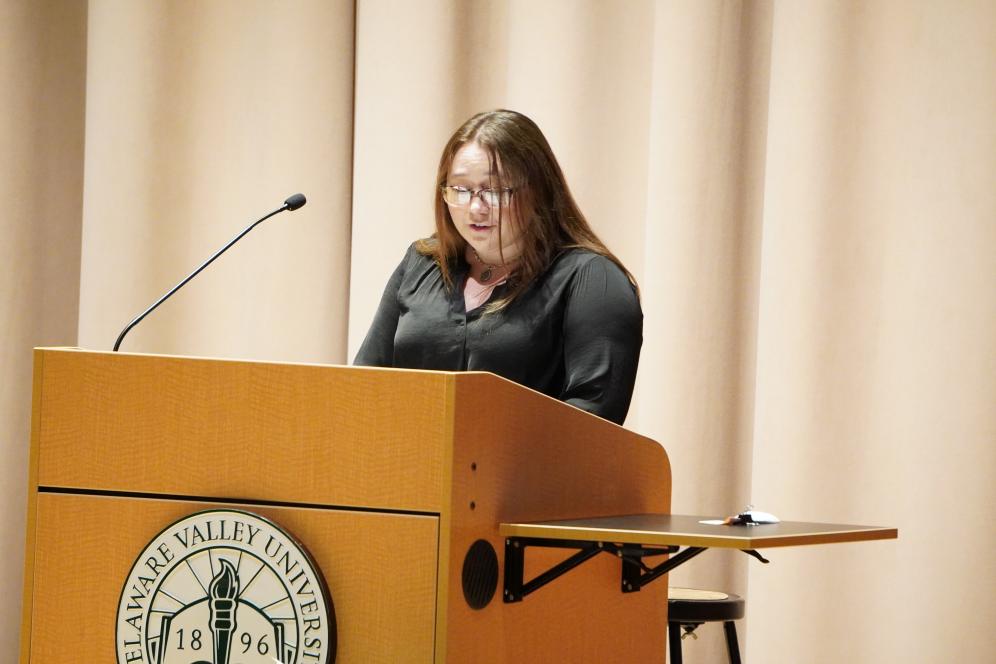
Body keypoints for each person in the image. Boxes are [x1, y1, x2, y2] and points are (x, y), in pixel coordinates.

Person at [354, 109, 642, 425]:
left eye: (494, 190)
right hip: (409, 467)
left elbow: (594, 419)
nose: (476, 207)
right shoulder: (421, 263)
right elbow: (365, 382)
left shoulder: (591, 280)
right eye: (460, 189)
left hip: (526, 473)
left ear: (538, 189)